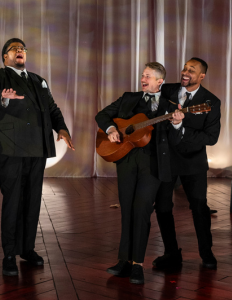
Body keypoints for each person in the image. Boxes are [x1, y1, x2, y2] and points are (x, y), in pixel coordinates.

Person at [0, 38, 73, 276]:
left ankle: (28, 249)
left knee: (33, 200)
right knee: (13, 200)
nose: (20, 51)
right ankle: (9, 254)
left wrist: (61, 128)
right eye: (14, 49)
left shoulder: (38, 80)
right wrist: (3, 95)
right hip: (9, 147)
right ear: (5, 56)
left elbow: (52, 108)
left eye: (23, 49)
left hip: (37, 148)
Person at [95, 62, 174, 284]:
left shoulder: (170, 106)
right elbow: (102, 115)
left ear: (160, 81)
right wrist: (111, 130)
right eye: (142, 75)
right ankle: (124, 261)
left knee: (141, 211)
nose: (143, 79)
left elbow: (175, 138)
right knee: (127, 210)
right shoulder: (128, 98)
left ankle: (137, 264)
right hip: (127, 161)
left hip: (154, 164)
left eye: (148, 76)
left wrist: (176, 124)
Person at [153, 57, 221, 270]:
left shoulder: (211, 102)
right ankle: (171, 253)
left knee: (199, 207)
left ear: (202, 76)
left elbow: (211, 137)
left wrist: (181, 128)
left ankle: (206, 253)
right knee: (162, 208)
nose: (185, 72)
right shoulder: (166, 90)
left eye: (192, 70)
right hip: (166, 160)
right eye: (184, 68)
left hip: (193, 163)